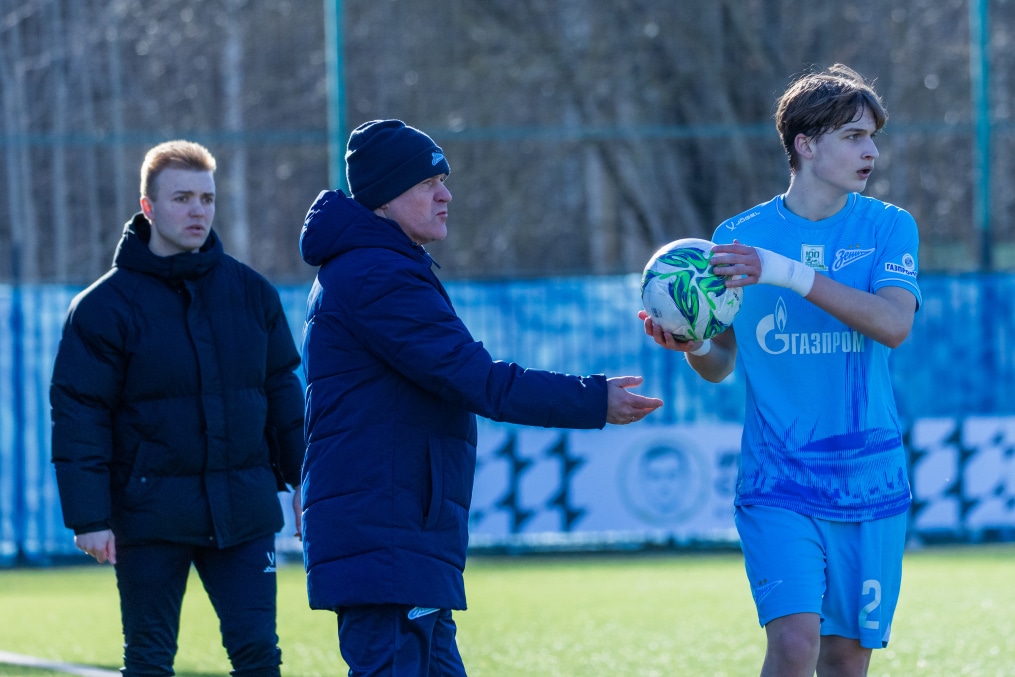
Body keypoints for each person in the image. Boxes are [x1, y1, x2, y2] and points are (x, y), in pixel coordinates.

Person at [299, 119, 663, 676]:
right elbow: (477, 380)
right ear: (384, 198)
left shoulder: (378, 266)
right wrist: (593, 400)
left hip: (400, 538)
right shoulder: (376, 275)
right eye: (427, 183)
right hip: (386, 538)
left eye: (443, 181)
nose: (445, 195)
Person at [640, 65, 921, 677]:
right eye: (853, 136)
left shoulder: (888, 226)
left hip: (869, 482)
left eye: (872, 137)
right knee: (794, 646)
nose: (871, 152)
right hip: (778, 481)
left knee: (845, 661)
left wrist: (786, 272)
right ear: (806, 144)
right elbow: (720, 365)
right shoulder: (739, 236)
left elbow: (894, 324)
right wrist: (692, 343)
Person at [50, 140, 305, 677]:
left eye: (206, 199)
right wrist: (89, 517)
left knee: (259, 655)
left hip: (243, 511)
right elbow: (80, 415)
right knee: (148, 659)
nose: (197, 211)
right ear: (147, 207)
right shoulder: (101, 308)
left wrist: (306, 481)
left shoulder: (252, 293)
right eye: (182, 198)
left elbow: (282, 393)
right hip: (148, 516)